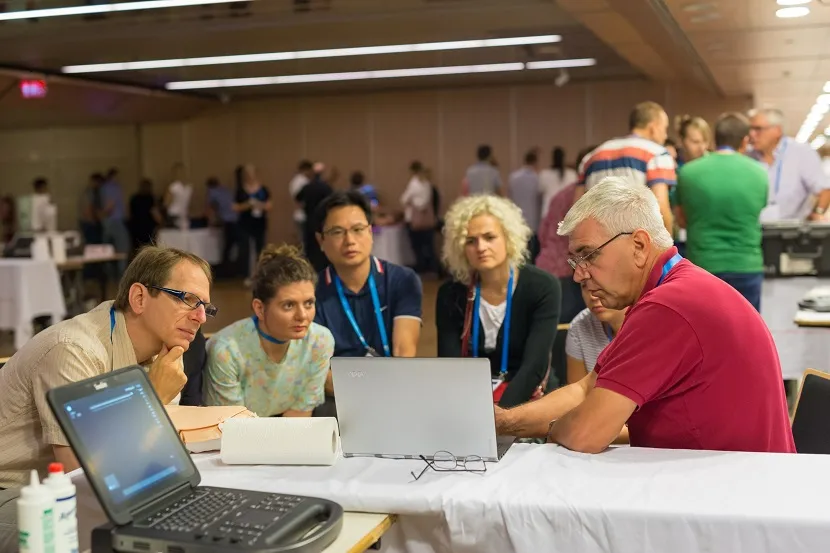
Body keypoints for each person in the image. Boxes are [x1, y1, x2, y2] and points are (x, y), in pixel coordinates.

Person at [494, 176, 795, 454]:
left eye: (588, 255)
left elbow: (584, 435)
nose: (578, 275)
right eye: (575, 261)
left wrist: (553, 429)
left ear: (639, 245)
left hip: (731, 497)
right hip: (736, 481)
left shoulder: (668, 306)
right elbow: (586, 388)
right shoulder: (677, 289)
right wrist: (503, 421)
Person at [0, 246, 215, 487]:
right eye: (188, 300)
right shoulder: (73, 350)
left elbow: (150, 455)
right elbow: (88, 478)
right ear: (139, 298)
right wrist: (154, 397)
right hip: (14, 490)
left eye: (205, 307)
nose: (201, 317)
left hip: (57, 490)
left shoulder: (166, 350)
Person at [436, 195, 561, 407]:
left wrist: (499, 417)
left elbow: (534, 366)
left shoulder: (542, 286)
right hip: (470, 402)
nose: (481, 247)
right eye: (470, 241)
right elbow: (450, 366)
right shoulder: (451, 293)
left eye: (489, 237)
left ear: (508, 237)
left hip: (530, 400)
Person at [205, 245, 334, 417]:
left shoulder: (320, 341)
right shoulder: (227, 350)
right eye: (289, 305)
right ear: (259, 308)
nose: (302, 315)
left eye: (309, 303)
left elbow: (298, 418)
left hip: (286, 431)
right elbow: (233, 427)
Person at [314, 190, 423, 360]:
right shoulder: (311, 291)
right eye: (337, 232)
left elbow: (404, 352)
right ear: (321, 241)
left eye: (358, 229)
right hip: (336, 386)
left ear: (370, 233)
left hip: (390, 381)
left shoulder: (402, 280)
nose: (349, 240)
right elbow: (316, 367)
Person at [676, 112, 768, 311]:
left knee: (704, 335)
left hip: (702, 267)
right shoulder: (760, 173)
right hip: (746, 266)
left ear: (715, 138)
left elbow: (682, 221)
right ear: (745, 141)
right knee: (745, 335)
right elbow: (758, 211)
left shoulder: (688, 173)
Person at [576, 101, 676, 233]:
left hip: (599, 244)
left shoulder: (591, 157)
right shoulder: (657, 154)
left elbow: (576, 210)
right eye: (665, 128)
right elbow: (661, 208)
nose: (665, 135)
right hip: (637, 242)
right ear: (654, 127)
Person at [536, 146, 596, 323]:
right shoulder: (589, 198)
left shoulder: (561, 195)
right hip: (570, 272)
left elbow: (543, 234)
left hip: (547, 267)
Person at [748, 108, 830, 221]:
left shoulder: (801, 152)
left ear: (777, 130)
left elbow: (824, 190)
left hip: (792, 231)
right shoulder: (747, 156)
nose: (752, 134)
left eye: (758, 129)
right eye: (750, 129)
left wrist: (817, 213)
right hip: (755, 230)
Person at [566, 284, 627, 384]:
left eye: (601, 284)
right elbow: (578, 394)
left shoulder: (652, 322)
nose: (593, 296)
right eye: (585, 285)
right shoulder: (579, 326)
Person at [235, 163, 272, 278]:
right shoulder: (240, 190)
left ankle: (260, 274)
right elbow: (235, 207)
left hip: (259, 223)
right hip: (245, 223)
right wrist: (248, 205)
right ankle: (247, 275)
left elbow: (269, 206)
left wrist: (259, 205)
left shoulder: (263, 189)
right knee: (246, 248)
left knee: (260, 248)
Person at [401, 160, 438, 274]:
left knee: (416, 246)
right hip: (427, 220)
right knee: (429, 246)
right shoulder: (427, 184)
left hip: (415, 220)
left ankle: (421, 268)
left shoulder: (414, 183)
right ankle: (435, 269)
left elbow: (404, 199)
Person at [297, 163, 334, 272]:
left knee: (309, 248)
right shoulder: (326, 188)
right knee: (322, 248)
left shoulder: (307, 187)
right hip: (322, 222)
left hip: (308, 221)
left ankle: (309, 271)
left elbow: (298, 198)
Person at [206, 176, 240, 277]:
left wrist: (210, 221)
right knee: (232, 246)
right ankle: (232, 269)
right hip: (237, 220)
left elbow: (210, 208)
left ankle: (225, 272)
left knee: (227, 247)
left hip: (227, 222)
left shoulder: (212, 192)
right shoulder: (225, 190)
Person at [539, 146, 578, 220]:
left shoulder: (544, 175)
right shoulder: (572, 174)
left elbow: (540, 192)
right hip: (567, 214)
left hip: (548, 213)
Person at [129, 178, 161, 252]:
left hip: (140, 229)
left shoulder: (135, 198)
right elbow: (154, 213)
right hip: (144, 229)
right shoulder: (151, 199)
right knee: (148, 251)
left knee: (139, 251)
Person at [289, 160, 314, 242]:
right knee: (305, 241)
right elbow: (301, 200)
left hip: (298, 215)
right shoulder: (303, 181)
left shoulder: (294, 181)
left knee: (301, 240)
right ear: (306, 169)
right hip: (303, 215)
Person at [165, 163, 193, 229]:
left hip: (174, 214)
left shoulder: (173, 186)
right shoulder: (189, 187)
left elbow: (166, 202)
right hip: (183, 214)